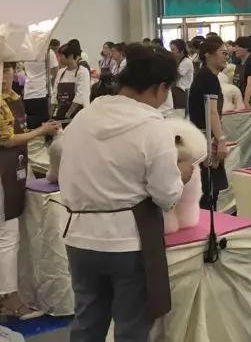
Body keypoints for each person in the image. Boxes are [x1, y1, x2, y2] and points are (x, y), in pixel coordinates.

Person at [59, 45, 190, 341]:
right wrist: (180, 176)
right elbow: (166, 195)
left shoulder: (84, 117)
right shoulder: (153, 127)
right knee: (131, 328)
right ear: (160, 87)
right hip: (129, 242)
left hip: (79, 237)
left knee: (87, 323)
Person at [0, 62, 60, 319]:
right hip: (3, 175)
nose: (5, 76)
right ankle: (10, 298)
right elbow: (7, 140)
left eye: (7, 70)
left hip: (14, 169)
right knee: (7, 236)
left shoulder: (14, 98)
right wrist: (41, 131)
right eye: (2, 70)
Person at [187, 37, 231, 209]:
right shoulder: (208, 78)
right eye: (223, 53)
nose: (226, 57)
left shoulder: (205, 76)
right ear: (208, 55)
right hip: (204, 140)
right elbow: (212, 112)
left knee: (208, 192)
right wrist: (221, 140)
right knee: (208, 191)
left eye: (227, 53)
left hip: (202, 137)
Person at [22, 39, 57, 129]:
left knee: (31, 124)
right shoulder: (48, 52)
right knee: (44, 125)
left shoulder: (26, 51)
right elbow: (55, 72)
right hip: (42, 92)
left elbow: (26, 71)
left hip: (28, 92)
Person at [53, 43, 91, 121]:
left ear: (70, 56)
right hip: (62, 115)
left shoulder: (82, 72)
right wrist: (53, 115)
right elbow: (54, 95)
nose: (59, 59)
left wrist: (67, 116)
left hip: (78, 116)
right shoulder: (61, 72)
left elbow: (80, 97)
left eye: (61, 56)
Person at [167, 39, 194, 117]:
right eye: (171, 49)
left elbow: (175, 77)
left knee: (180, 114)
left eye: (173, 49)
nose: (171, 52)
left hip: (182, 91)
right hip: (176, 90)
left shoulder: (186, 61)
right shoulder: (178, 60)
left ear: (181, 50)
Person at [233, 36, 251, 110]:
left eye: (237, 47)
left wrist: (246, 102)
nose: (235, 49)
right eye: (235, 47)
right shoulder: (238, 62)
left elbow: (250, 85)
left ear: (246, 48)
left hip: (250, 101)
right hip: (239, 100)